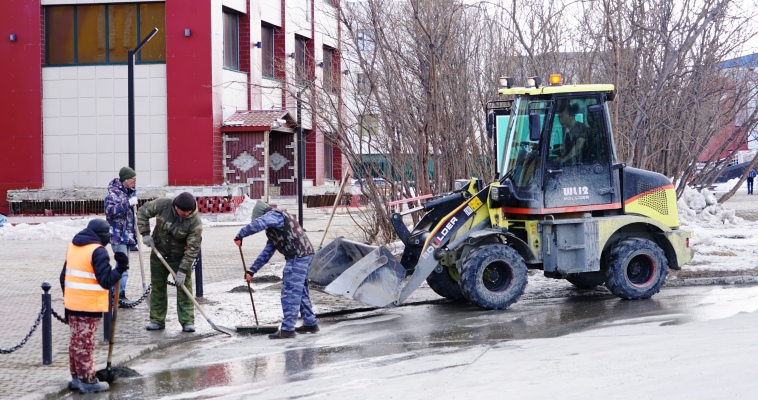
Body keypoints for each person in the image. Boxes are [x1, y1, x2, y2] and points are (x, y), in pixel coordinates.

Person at [60, 219, 129, 393]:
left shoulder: (73, 246)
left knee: (76, 342)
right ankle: (88, 381)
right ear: (102, 235)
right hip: (88, 305)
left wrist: (69, 297)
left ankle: (76, 377)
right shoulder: (98, 251)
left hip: (73, 303)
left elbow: (63, 277)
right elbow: (105, 281)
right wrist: (120, 268)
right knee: (85, 344)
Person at [234, 200, 319, 339]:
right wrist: (252, 270)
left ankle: (287, 329)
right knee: (300, 292)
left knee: (290, 293)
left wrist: (241, 234)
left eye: (261, 219)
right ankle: (310, 323)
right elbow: (266, 253)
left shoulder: (275, 215)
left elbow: (259, 224)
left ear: (263, 215)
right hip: (304, 256)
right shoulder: (277, 229)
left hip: (297, 258)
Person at [137, 192, 202, 333]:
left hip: (179, 258)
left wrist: (183, 270)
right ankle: (156, 320)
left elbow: (193, 249)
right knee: (158, 287)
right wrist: (145, 233)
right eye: (182, 211)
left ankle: (187, 321)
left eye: (188, 212)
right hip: (158, 252)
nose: (185, 214)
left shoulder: (195, 222)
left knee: (184, 289)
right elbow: (142, 212)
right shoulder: (163, 205)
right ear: (175, 206)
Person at [104, 166, 138, 303]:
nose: (135, 182)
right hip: (118, 236)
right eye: (133, 179)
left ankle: (118, 293)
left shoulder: (129, 193)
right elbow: (111, 211)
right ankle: (117, 295)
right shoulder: (113, 195)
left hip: (127, 236)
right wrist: (127, 204)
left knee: (124, 265)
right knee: (122, 267)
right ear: (126, 180)